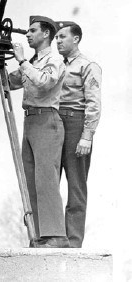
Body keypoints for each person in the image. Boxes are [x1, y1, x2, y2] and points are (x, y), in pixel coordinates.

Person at [9, 15, 69, 248]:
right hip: (31, 122)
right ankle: (39, 235)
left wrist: (23, 62)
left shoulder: (54, 59)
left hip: (47, 121)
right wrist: (1, 64)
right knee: (31, 180)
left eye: (33, 30)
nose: (27, 34)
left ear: (46, 34)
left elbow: (44, 82)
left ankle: (56, 236)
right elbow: (8, 83)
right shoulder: (31, 60)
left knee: (46, 179)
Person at [55, 21, 102, 248]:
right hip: (53, 123)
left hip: (76, 124)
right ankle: (51, 239)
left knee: (76, 185)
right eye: (56, 37)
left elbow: (93, 103)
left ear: (76, 39)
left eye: (63, 36)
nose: (58, 41)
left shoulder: (88, 66)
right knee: (49, 183)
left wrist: (87, 136)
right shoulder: (54, 65)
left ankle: (72, 243)